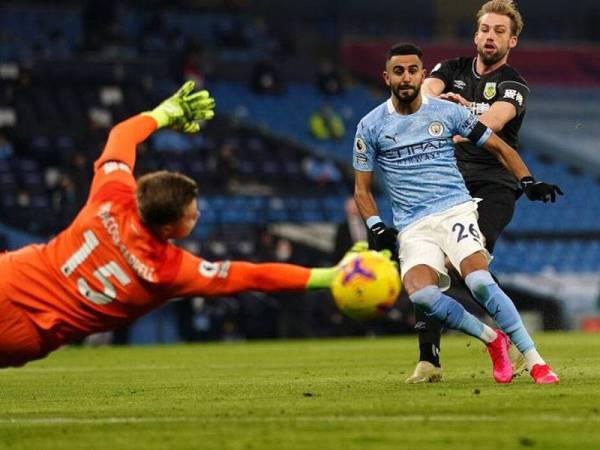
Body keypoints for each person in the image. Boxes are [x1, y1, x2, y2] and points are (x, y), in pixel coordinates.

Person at [0, 81, 347, 368]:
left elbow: (122, 134)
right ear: (169, 228)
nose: (197, 216)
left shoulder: (111, 197)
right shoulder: (168, 271)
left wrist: (164, 113)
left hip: (10, 274)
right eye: (191, 214)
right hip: (26, 332)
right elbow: (254, 276)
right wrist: (329, 276)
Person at [354, 43, 562, 384]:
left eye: (412, 70)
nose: (406, 77)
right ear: (386, 76)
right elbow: (362, 190)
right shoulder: (370, 126)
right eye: (398, 71)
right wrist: (376, 226)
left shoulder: (447, 112)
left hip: (455, 210)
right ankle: (492, 339)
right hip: (413, 225)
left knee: (479, 281)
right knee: (421, 294)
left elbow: (498, 144)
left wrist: (527, 180)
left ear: (422, 75)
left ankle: (536, 360)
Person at [407, 0, 532, 383]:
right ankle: (429, 361)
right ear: (476, 34)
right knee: (426, 264)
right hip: (448, 183)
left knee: (468, 270)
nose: (490, 36)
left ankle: (517, 345)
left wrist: (454, 116)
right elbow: (422, 94)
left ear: (512, 40)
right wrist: (435, 101)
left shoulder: (514, 85)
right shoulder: (451, 69)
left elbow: (490, 126)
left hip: (495, 185)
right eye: (484, 29)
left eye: (499, 31)